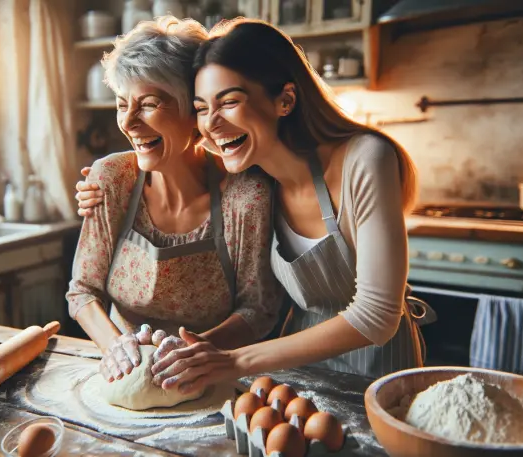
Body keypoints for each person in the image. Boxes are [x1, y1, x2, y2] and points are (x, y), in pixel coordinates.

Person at [75, 18, 425, 393]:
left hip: (380, 366)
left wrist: (231, 359)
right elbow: (191, 147)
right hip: (296, 365)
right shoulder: (250, 173)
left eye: (229, 102)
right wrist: (99, 185)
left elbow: (376, 314)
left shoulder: (360, 160)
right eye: (202, 108)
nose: (212, 123)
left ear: (286, 100)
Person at [67, 17, 283, 384]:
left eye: (149, 104)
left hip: (211, 376)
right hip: (124, 371)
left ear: (193, 111)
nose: (130, 123)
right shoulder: (110, 180)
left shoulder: (246, 195)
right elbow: (82, 292)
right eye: (122, 105)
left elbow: (258, 310)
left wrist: (190, 353)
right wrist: (118, 347)